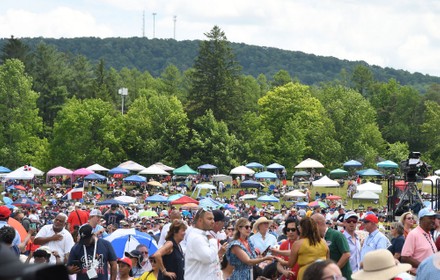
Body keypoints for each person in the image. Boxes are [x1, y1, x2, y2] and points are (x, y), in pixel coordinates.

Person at [311, 213, 352, 280]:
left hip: (342, 275)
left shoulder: (336, 235)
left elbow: (346, 254)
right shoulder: (318, 239)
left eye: (311, 226)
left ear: (317, 224)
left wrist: (333, 270)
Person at [185, 208, 220, 280]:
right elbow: (209, 257)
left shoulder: (202, 235)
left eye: (213, 219)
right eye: (209, 219)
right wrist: (213, 241)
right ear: (200, 220)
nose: (213, 222)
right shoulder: (196, 237)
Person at [401, 207, 437, 274]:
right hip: (418, 275)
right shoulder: (413, 234)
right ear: (421, 220)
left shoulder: (428, 234)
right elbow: (405, 257)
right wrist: (424, 266)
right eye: (430, 218)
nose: (433, 220)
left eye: (434, 218)